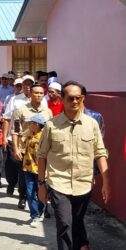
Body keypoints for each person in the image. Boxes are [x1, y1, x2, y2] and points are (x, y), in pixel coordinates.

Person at [37, 81, 111, 250]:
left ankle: (81, 244)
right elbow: (41, 156)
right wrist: (41, 184)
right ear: (62, 99)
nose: (75, 102)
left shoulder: (92, 124)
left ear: (83, 98)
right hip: (58, 183)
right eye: (70, 98)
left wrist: (106, 182)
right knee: (64, 223)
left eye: (79, 98)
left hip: (83, 183)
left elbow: (100, 153)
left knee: (76, 221)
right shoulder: (51, 125)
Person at [11, 83, 53, 209]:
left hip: (42, 150)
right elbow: (15, 130)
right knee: (25, 178)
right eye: (36, 93)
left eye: (41, 93)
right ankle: (23, 197)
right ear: (30, 94)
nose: (39, 95)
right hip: (25, 149)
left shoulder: (48, 112)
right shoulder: (21, 110)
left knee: (42, 178)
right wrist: (16, 148)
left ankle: (43, 204)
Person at [22, 114, 46, 228]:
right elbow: (22, 144)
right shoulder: (30, 135)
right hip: (28, 168)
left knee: (40, 191)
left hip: (39, 170)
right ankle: (35, 215)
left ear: (36, 125)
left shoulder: (42, 138)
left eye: (31, 123)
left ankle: (40, 211)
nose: (29, 125)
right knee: (30, 191)